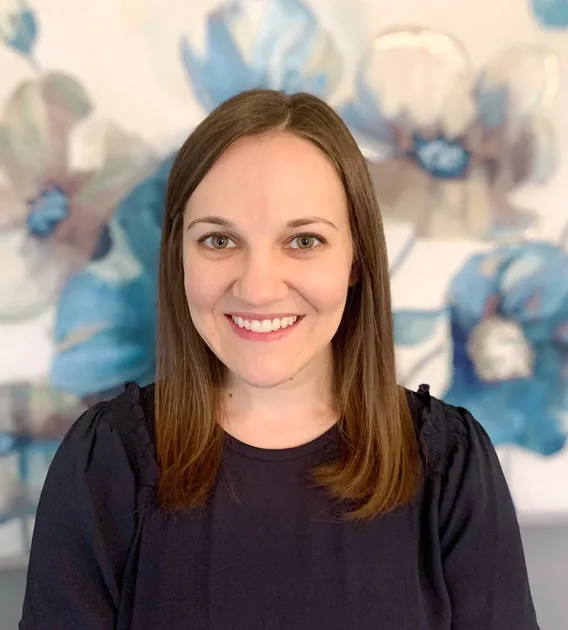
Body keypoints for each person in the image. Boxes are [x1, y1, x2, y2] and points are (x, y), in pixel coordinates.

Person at [20, 89, 539, 629]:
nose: (259, 288)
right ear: (178, 256)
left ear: (356, 259)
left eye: (304, 241)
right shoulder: (105, 465)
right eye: (219, 240)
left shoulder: (449, 467)